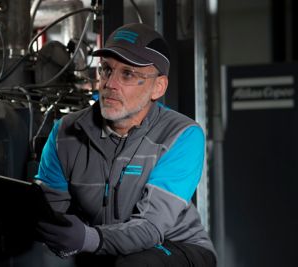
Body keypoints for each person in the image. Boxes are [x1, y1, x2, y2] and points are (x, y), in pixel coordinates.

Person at [34, 23, 217, 267]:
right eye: (107, 70)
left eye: (128, 74)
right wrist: (3, 222)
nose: (110, 83)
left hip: (175, 246)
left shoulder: (182, 135)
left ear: (158, 87)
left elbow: (151, 227)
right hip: (101, 247)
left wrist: (88, 238)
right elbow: (49, 212)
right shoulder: (65, 133)